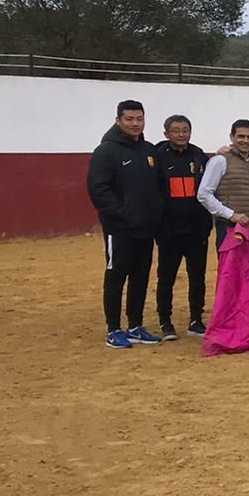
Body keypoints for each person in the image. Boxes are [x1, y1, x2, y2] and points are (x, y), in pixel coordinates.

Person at [87, 99, 163, 347]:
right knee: (116, 277)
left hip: (146, 228)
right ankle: (113, 329)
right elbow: (98, 190)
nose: (135, 124)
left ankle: (135, 325)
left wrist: (154, 215)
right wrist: (123, 214)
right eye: (129, 119)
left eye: (139, 119)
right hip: (119, 229)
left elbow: (159, 187)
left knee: (140, 277)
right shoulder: (106, 151)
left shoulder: (150, 150)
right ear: (118, 120)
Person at [153, 114, 211, 340]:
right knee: (166, 276)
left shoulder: (198, 156)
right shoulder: (157, 156)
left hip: (196, 229)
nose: (181, 134)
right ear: (166, 133)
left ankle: (196, 319)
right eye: (176, 130)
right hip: (169, 229)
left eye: (185, 130)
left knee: (197, 277)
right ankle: (165, 321)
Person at [198, 119, 249, 250]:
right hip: (229, 226)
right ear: (232, 137)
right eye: (241, 136)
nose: (245, 140)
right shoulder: (220, 160)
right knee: (230, 269)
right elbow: (203, 194)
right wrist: (231, 215)